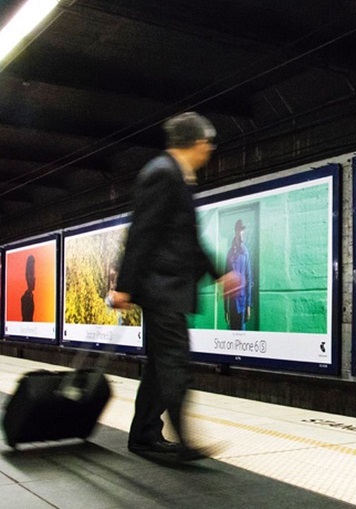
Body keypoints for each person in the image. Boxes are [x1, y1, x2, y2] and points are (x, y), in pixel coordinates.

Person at [108, 112, 239, 462]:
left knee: (159, 366)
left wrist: (219, 273)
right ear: (197, 143)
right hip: (161, 289)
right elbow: (141, 233)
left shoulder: (176, 176)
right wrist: (124, 287)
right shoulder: (162, 174)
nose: (210, 149)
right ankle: (184, 438)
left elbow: (186, 240)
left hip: (167, 289)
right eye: (208, 143)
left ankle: (144, 435)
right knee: (175, 363)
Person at [224, 219, 252, 330]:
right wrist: (225, 308)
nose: (243, 234)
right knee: (232, 333)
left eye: (244, 231)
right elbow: (226, 282)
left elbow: (249, 278)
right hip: (232, 303)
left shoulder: (245, 252)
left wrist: (248, 305)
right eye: (241, 230)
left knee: (242, 334)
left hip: (242, 303)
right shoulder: (229, 254)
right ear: (236, 231)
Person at [20, 255, 35, 321]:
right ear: (27, 277)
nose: (34, 279)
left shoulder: (30, 296)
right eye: (32, 275)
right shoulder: (25, 299)